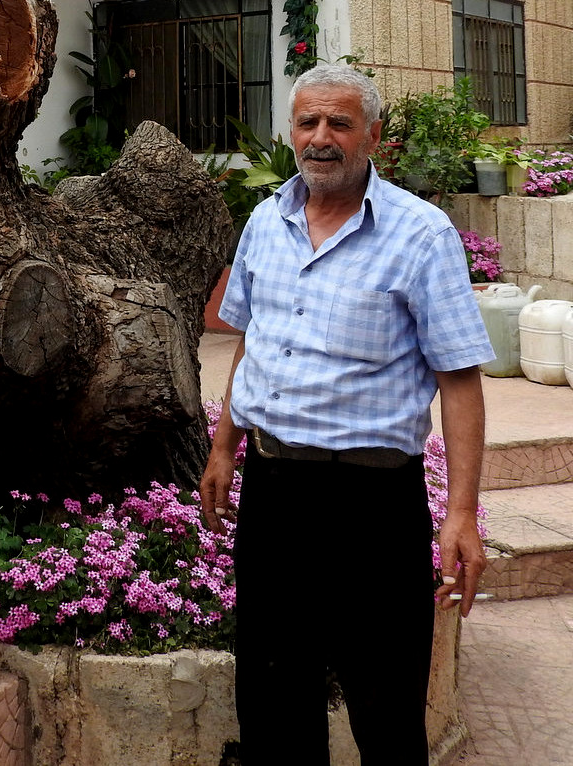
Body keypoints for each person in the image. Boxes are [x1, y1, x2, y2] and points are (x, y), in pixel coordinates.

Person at [199, 63, 495, 764]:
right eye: (308, 122)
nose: (321, 138)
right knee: (274, 697)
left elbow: (459, 380)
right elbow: (253, 341)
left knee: (386, 705)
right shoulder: (264, 222)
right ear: (292, 131)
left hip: (373, 505)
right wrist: (223, 447)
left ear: (373, 136)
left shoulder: (421, 235)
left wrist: (460, 513)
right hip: (275, 495)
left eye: (339, 122)